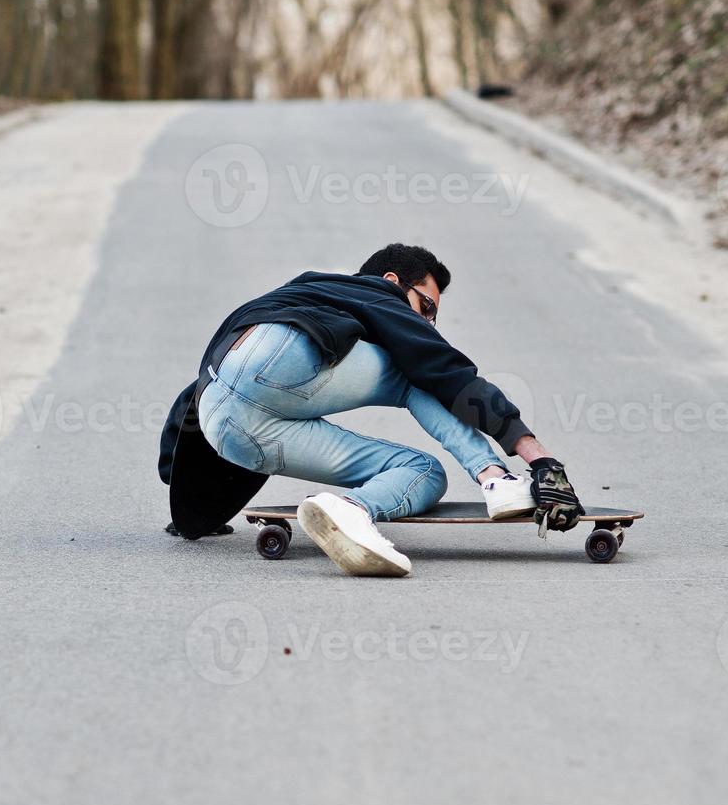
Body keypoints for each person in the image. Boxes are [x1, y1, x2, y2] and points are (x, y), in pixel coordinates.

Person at [158, 243, 583, 577]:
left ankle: (352, 510)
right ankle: (496, 479)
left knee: (423, 473)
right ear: (393, 280)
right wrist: (539, 457)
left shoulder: (295, 295)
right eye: (426, 307)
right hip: (280, 354)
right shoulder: (374, 292)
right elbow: (448, 373)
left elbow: (191, 402)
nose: (428, 324)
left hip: (223, 422)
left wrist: (189, 503)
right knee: (419, 371)